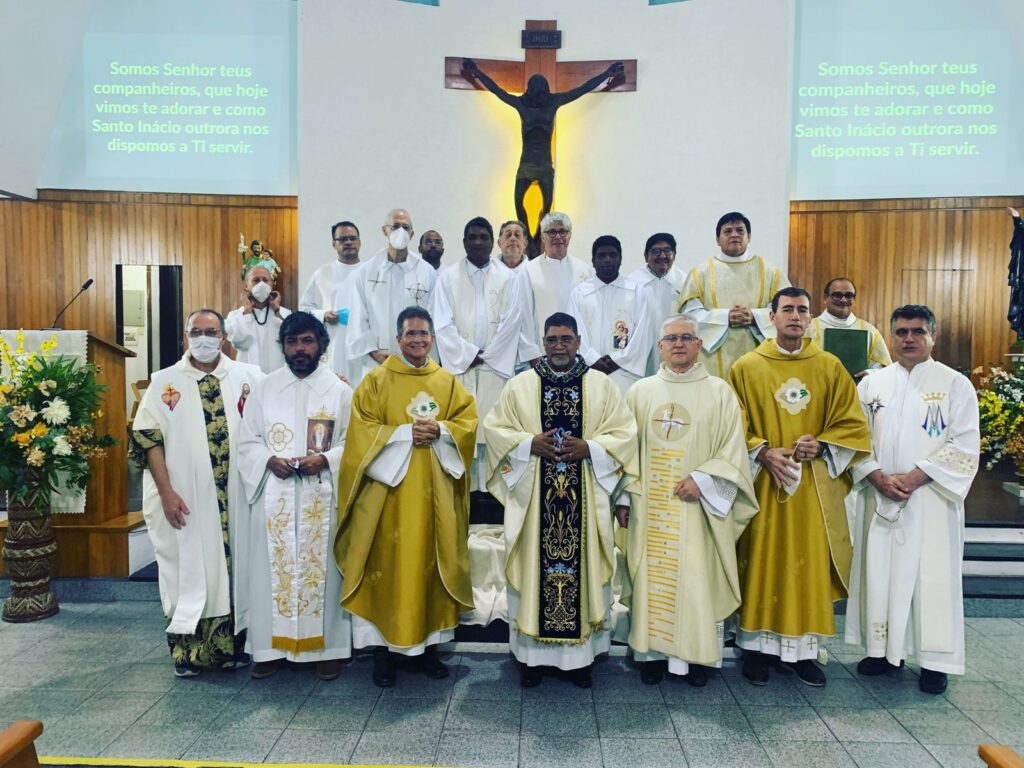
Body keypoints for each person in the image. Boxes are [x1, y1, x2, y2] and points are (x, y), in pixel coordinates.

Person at [484, 312, 638, 688]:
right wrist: (527, 444)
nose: (558, 346)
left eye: (566, 339)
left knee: (581, 572)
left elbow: (625, 433)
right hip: (535, 499)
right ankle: (531, 660)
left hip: (585, 495)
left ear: (579, 340)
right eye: (552, 339)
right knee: (535, 570)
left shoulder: (601, 386)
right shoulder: (521, 385)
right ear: (542, 341)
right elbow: (494, 428)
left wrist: (591, 448)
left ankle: (580, 661)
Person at [728, 287, 870, 687]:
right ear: (770, 317)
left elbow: (853, 423)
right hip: (763, 483)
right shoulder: (746, 367)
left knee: (806, 564)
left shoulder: (829, 367)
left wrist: (822, 443)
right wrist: (761, 451)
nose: (795, 316)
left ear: (810, 318)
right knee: (760, 560)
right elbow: (730, 424)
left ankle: (804, 654)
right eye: (787, 309)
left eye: (802, 310)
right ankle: (754, 650)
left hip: (812, 488)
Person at [335, 307, 478, 687]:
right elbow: (361, 432)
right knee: (388, 569)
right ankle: (383, 653)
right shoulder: (376, 381)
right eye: (410, 334)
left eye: (423, 334)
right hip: (388, 497)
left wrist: (444, 431)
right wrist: (402, 435)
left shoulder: (447, 381)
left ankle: (430, 651)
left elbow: (467, 423)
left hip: (434, 495)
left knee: (431, 566)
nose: (417, 340)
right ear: (398, 339)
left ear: (432, 338)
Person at [845, 305, 979, 695]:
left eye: (917, 331)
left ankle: (933, 661)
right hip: (879, 496)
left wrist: (914, 477)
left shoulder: (954, 384)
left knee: (929, 578)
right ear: (890, 336)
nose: (908, 338)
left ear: (933, 336)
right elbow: (854, 438)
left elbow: (965, 444)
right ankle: (883, 652)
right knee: (880, 572)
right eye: (901, 331)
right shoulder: (872, 385)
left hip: (931, 499)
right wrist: (876, 476)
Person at [618, 314, 757, 686]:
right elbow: (626, 452)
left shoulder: (720, 392)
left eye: (687, 337)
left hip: (699, 509)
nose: (679, 344)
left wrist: (704, 480)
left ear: (699, 345)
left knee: (698, 577)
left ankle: (697, 659)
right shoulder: (640, 391)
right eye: (671, 339)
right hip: (650, 508)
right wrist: (624, 500)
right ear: (660, 347)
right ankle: (650, 655)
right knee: (650, 577)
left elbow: (734, 451)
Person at [130, 309, 263, 678]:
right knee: (185, 570)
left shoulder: (248, 376)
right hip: (184, 497)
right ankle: (188, 654)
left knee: (234, 571)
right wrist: (167, 492)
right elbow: (147, 438)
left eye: (211, 331)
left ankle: (232, 650)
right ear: (186, 335)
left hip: (236, 496)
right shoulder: (164, 381)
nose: (204, 339)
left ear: (224, 335)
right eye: (196, 332)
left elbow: (281, 401)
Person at [236, 312, 353, 680]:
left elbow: (355, 443)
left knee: (325, 572)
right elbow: (247, 440)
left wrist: (327, 459)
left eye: (307, 341)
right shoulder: (265, 387)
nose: (299, 349)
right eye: (292, 342)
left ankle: (327, 648)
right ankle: (269, 649)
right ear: (283, 346)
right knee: (271, 572)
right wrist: (269, 459)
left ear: (321, 345)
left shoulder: (339, 391)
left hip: (322, 495)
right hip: (276, 494)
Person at [461, 58, 624, 246]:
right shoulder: (522, 104)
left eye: (541, 87)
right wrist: (476, 72)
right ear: (531, 88)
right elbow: (497, 90)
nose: (538, 91)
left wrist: (607, 74)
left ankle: (538, 236)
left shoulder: (553, 102)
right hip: (526, 164)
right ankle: (527, 235)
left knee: (547, 206)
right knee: (517, 202)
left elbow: (582, 89)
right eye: (535, 87)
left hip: (545, 165)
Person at [432, 216, 522, 491]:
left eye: (484, 237)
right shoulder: (447, 276)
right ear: (464, 242)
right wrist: (469, 353)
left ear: (492, 241)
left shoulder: (508, 277)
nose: (478, 242)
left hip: (495, 368)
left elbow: (512, 322)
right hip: (462, 368)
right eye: (473, 237)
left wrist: (490, 355)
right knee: (461, 433)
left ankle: (493, 495)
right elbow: (441, 323)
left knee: (494, 433)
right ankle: (464, 493)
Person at [680, 212, 791, 379]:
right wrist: (725, 317)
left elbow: (787, 310)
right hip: (713, 358)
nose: (734, 235)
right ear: (717, 239)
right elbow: (689, 317)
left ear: (749, 236)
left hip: (760, 352)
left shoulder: (770, 272)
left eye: (740, 230)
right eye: (728, 231)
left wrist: (754, 317)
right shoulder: (701, 273)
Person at [347, 209, 438, 382]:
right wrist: (375, 353)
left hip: (416, 362)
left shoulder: (426, 272)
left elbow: (433, 317)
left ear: (412, 234)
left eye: (405, 227)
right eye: (395, 226)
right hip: (376, 362)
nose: (400, 232)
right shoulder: (366, 272)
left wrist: (417, 352)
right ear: (385, 230)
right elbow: (358, 317)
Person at [567, 235, 651, 394]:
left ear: (620, 259)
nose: (607, 260)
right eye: (601, 255)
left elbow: (643, 332)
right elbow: (573, 332)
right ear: (593, 261)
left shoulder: (635, 290)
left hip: (626, 372)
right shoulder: (579, 293)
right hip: (589, 370)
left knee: (624, 415)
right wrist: (592, 360)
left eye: (613, 255)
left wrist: (617, 360)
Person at [516, 212, 593, 365]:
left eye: (562, 231)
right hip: (542, 355)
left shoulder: (585, 271)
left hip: (579, 355)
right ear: (543, 237)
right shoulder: (529, 271)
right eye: (551, 232)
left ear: (570, 235)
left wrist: (589, 354)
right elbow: (523, 316)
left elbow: (590, 314)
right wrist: (533, 354)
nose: (558, 236)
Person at [298, 221, 362, 383]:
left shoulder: (370, 272)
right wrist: (323, 314)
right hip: (334, 344)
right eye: (342, 239)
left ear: (359, 242)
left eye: (352, 238)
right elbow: (304, 309)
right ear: (334, 243)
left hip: (363, 345)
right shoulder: (322, 273)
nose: (348, 242)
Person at [626, 233, 687, 375]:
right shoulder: (631, 283)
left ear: (674, 255)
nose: (662, 255)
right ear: (646, 256)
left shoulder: (685, 283)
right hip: (640, 353)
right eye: (656, 251)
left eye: (667, 251)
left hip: (675, 348)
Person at [806, 277, 892, 376]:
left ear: (854, 300)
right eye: (837, 295)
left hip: (857, 388)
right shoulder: (808, 328)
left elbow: (886, 369)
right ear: (825, 298)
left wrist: (870, 373)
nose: (843, 299)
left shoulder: (869, 330)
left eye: (849, 295)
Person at [225, 262, 291, 373]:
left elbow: (290, 339)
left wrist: (277, 311)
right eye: (256, 280)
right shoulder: (236, 316)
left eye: (265, 280)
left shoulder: (285, 313)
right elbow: (239, 342)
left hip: (278, 374)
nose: (261, 284)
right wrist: (247, 311)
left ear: (272, 284)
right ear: (246, 286)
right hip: (247, 377)